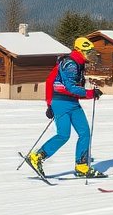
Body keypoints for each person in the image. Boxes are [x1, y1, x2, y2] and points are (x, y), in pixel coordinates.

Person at [27, 36, 104, 178]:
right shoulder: (70, 64)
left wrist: (89, 93)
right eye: (88, 51)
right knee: (63, 135)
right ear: (79, 51)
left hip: (72, 103)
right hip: (61, 103)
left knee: (85, 133)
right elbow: (70, 88)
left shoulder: (79, 63)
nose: (91, 54)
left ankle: (82, 166)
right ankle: (37, 157)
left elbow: (71, 89)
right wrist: (89, 93)